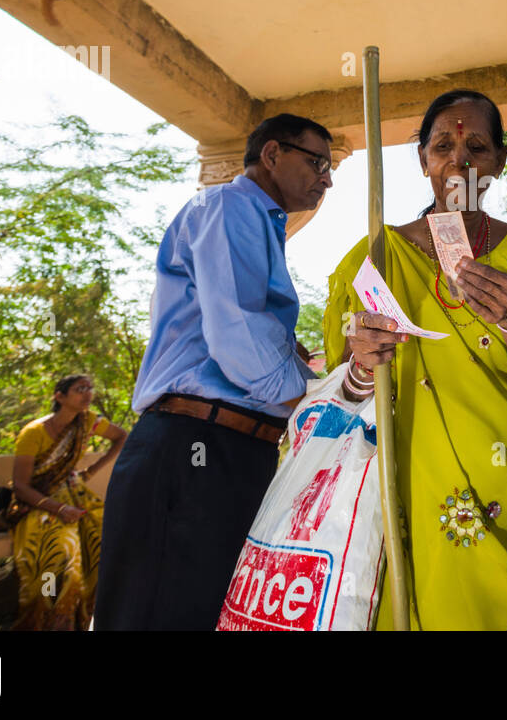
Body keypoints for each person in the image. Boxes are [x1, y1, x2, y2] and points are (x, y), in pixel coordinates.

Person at [326, 90, 507, 630]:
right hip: (408, 481)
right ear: (422, 161)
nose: (459, 160)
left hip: (502, 480)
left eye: (477, 147)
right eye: (443, 145)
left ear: (500, 162)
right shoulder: (376, 255)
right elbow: (341, 390)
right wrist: (363, 362)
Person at [95, 112, 332, 630]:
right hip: (195, 447)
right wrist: (325, 399)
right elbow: (243, 343)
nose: (327, 179)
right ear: (272, 154)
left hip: (231, 450)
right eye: (317, 161)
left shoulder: (259, 224)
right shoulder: (229, 206)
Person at [9, 374, 126, 630]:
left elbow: (122, 436)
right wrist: (59, 509)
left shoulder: (89, 421)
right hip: (38, 503)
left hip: (74, 494)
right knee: (64, 547)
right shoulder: (34, 432)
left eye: (90, 388)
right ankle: (50, 620)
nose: (87, 393)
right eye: (79, 389)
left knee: (105, 535)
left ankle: (86, 619)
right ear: (59, 396)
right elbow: (20, 486)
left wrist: (92, 470)